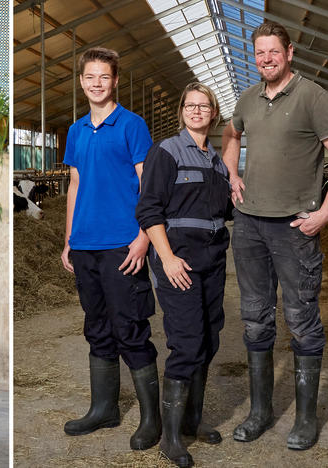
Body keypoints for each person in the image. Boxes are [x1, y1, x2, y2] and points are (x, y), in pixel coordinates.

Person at [222, 20, 328, 450]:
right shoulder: (247, 98)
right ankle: (260, 412)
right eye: (259, 53)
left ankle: (304, 419)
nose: (265, 59)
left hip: (294, 227)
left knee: (301, 320)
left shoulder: (312, 96)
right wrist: (231, 174)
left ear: (290, 52)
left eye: (272, 52)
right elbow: (230, 134)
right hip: (248, 225)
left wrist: (327, 212)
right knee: (256, 317)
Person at [59, 47, 160, 451]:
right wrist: (68, 240)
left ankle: (152, 418)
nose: (97, 83)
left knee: (130, 328)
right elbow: (75, 184)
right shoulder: (77, 129)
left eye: (104, 76)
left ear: (115, 80)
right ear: (81, 81)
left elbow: (149, 187)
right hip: (85, 245)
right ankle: (105, 408)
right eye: (90, 77)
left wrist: (143, 237)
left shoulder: (132, 125)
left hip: (123, 243)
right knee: (97, 327)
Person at [136, 82, 230, 467]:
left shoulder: (217, 161)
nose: (196, 111)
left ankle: (192, 419)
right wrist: (168, 258)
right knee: (187, 341)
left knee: (209, 338)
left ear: (213, 113)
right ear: (181, 111)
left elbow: (227, 212)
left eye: (203, 105)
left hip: (212, 260)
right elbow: (149, 210)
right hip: (179, 261)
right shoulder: (166, 151)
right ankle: (171, 438)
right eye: (190, 105)